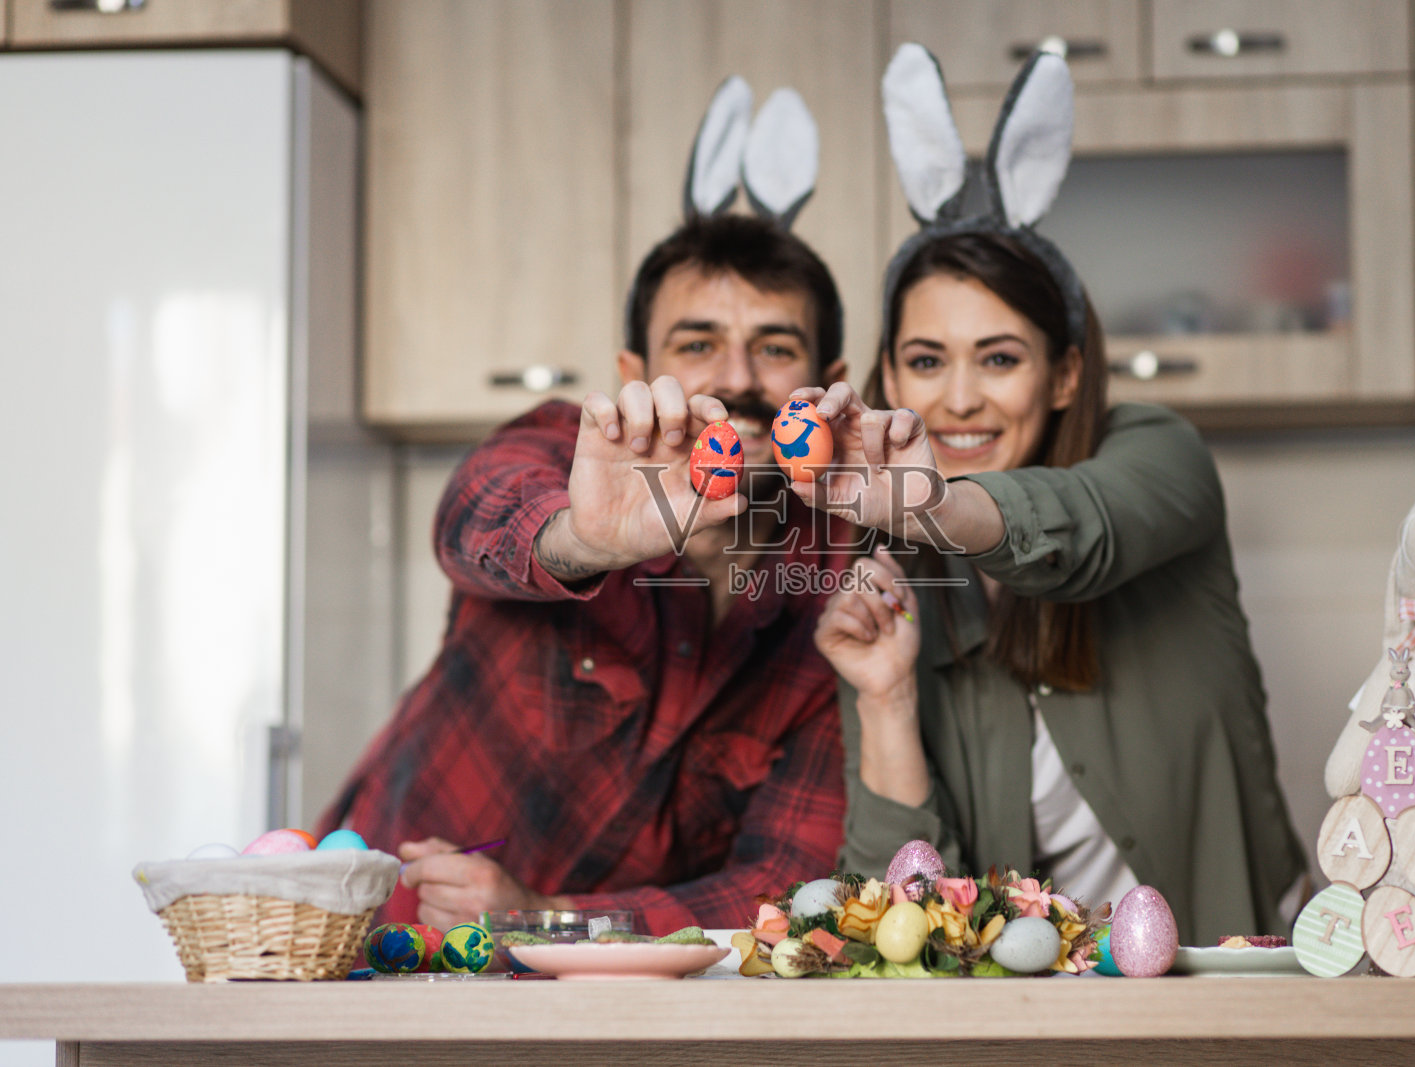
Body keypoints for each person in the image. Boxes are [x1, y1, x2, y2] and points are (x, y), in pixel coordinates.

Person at [792, 45, 1306, 943]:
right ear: (886, 374)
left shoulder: (1159, 454)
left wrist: (933, 505)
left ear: (1065, 374)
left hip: (1243, 993)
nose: (957, 398)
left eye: (1000, 358)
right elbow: (897, 926)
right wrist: (884, 699)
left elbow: (1083, 532)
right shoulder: (892, 591)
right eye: (925, 361)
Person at [319, 81, 855, 933]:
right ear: (636, 369)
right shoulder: (565, 448)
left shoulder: (835, 589)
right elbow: (470, 520)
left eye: (777, 347)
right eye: (698, 343)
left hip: (611, 997)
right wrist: (583, 540)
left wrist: (547, 915)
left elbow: (785, 879)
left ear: (826, 383)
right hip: (379, 952)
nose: (740, 379)